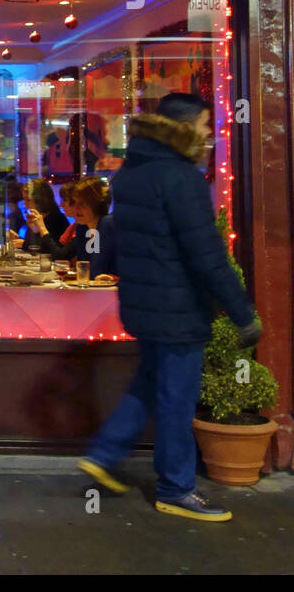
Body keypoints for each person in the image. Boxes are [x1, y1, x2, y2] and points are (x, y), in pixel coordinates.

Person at [79, 93, 261, 522]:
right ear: (181, 127)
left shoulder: (131, 175)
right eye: (201, 124)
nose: (207, 132)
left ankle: (104, 454)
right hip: (177, 308)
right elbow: (207, 253)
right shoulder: (181, 178)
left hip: (144, 304)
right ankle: (176, 489)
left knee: (148, 383)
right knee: (177, 397)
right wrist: (242, 312)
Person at [25, 176, 116, 277]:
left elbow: (96, 271)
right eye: (74, 203)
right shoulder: (84, 228)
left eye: (82, 204)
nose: (76, 208)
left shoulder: (106, 224)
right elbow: (86, 271)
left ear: (96, 204)